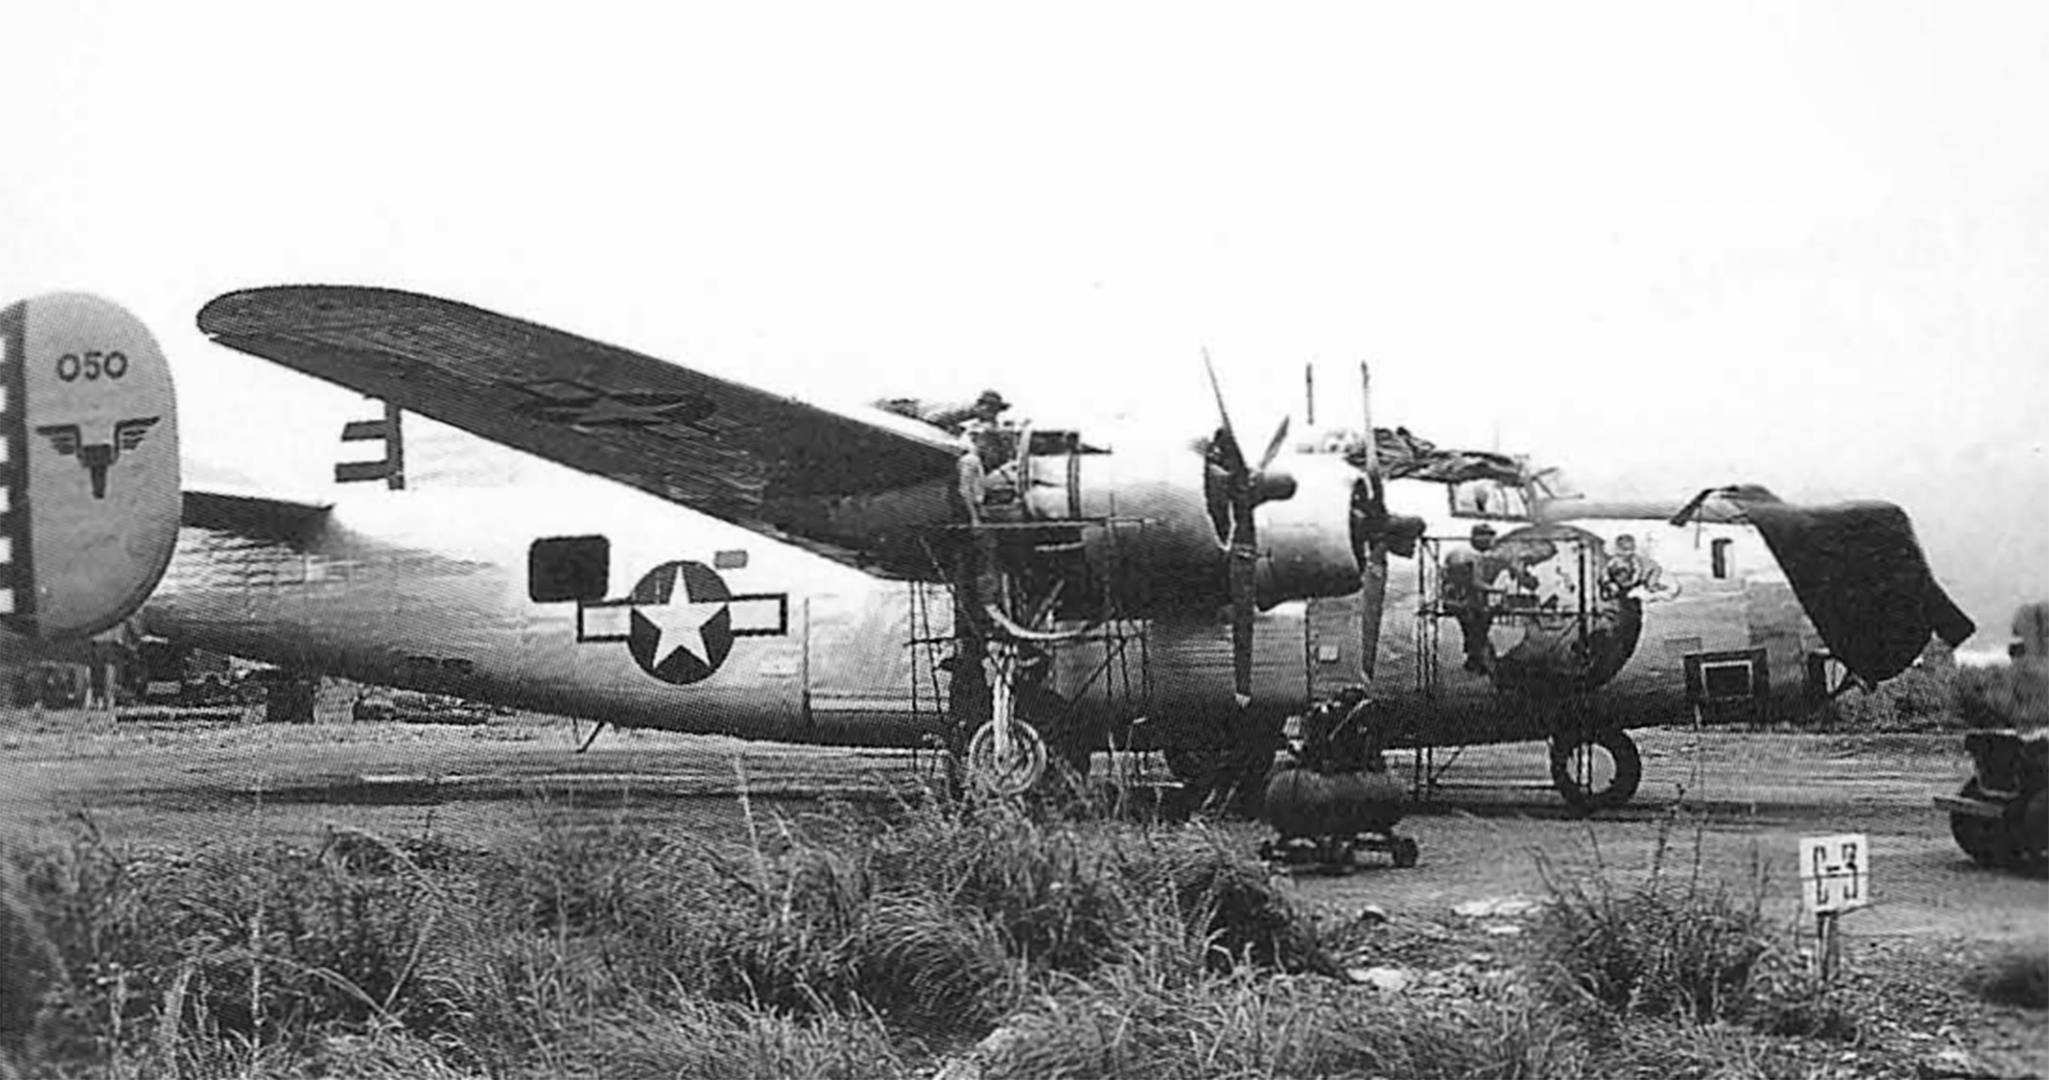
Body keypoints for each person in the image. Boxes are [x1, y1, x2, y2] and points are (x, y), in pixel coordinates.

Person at [1442, 524, 1502, 674]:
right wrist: (1497, 590)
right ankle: (1477, 659)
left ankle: (1475, 659)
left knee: (1479, 627)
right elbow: (1472, 583)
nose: (1491, 542)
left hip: (1464, 601)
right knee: (1479, 624)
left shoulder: (1470, 554)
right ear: (1478, 537)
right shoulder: (1465, 555)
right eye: (1488, 538)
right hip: (1461, 602)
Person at [1601, 534, 1664, 604]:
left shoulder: (1638, 561)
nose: (1629, 552)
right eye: (1625, 549)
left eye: (1631, 549)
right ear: (1618, 549)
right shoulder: (1613, 562)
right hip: (1619, 592)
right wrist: (1610, 584)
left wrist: (1650, 583)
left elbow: (1656, 568)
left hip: (1634, 592)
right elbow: (1605, 575)